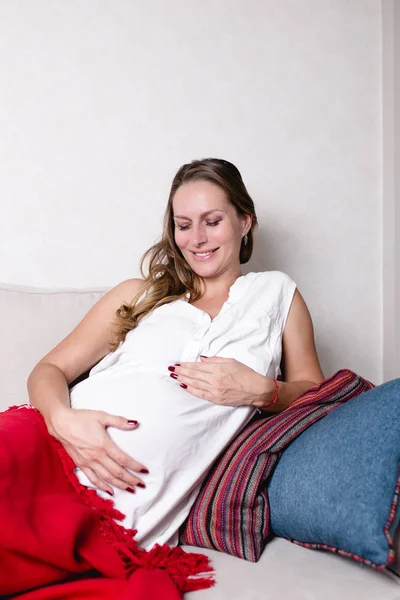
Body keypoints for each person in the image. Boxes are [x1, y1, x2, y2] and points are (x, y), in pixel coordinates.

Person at [27, 157, 324, 551]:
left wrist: (265, 392)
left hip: (120, 508)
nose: (196, 239)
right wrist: (61, 419)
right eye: (183, 225)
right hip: (43, 451)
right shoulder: (139, 294)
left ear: (245, 222)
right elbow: (49, 369)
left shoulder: (276, 294)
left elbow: (320, 393)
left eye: (212, 221)